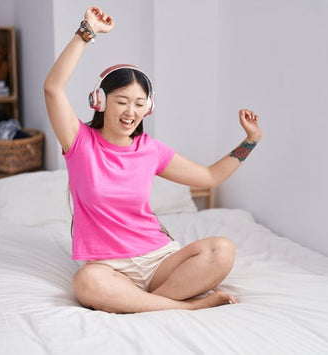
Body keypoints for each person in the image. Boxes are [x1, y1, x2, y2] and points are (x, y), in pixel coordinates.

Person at [44, 7, 262, 314]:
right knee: (86, 282)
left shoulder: (151, 150)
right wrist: (86, 32)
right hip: (108, 268)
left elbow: (210, 177)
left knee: (221, 250)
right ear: (100, 102)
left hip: (158, 259)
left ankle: (147, 302)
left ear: (148, 108)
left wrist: (250, 141)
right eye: (121, 101)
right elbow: (52, 89)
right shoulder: (79, 142)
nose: (130, 111)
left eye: (139, 103)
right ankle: (183, 306)